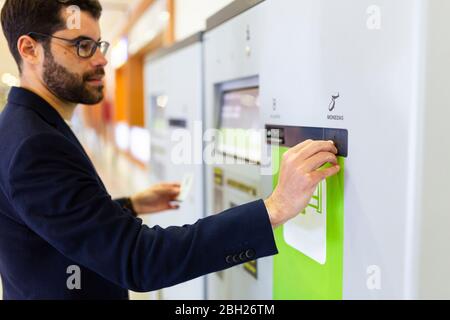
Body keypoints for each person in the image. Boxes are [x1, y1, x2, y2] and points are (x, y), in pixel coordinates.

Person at [0, 0, 341, 300]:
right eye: (82, 46)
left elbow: (52, 220)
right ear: (30, 49)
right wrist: (275, 209)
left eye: (98, 43)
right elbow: (139, 260)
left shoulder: (25, 126)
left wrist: (131, 205)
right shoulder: (35, 144)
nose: (101, 59)